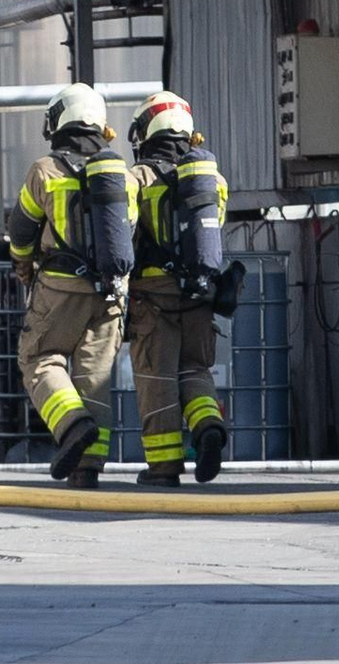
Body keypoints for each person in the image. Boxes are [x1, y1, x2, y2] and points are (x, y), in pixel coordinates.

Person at [9, 83, 139, 489]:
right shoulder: (124, 177)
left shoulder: (44, 171)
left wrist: (24, 267)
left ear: (59, 121)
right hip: (111, 294)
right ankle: (88, 468)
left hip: (60, 289)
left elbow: (21, 232)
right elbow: (128, 233)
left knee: (40, 359)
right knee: (94, 377)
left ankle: (70, 425)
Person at [125, 91, 230, 488]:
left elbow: (126, 238)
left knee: (156, 379)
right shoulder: (211, 179)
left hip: (154, 295)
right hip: (201, 292)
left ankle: (164, 467)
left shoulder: (138, 179)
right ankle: (207, 425)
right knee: (195, 368)